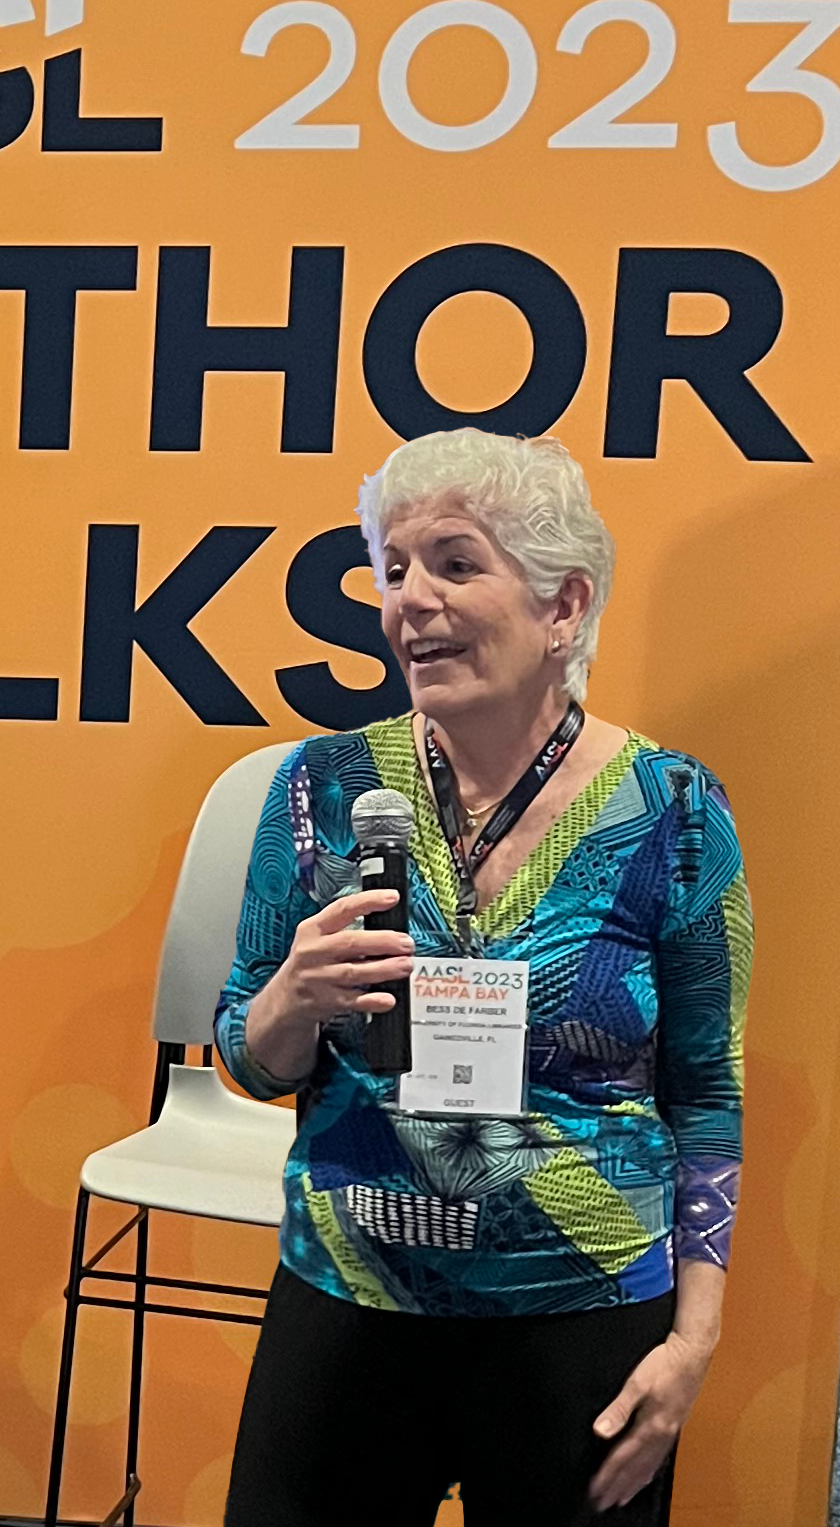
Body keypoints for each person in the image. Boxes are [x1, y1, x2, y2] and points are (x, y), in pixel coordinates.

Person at [214, 429, 752, 1527]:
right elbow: (243, 1054)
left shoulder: (676, 814)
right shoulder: (323, 786)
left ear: (563, 607)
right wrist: (292, 1000)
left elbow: (708, 1094)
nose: (412, 599)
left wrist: (691, 1344)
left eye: (456, 564)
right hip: (352, 1290)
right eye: (395, 568)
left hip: (581, 1317)